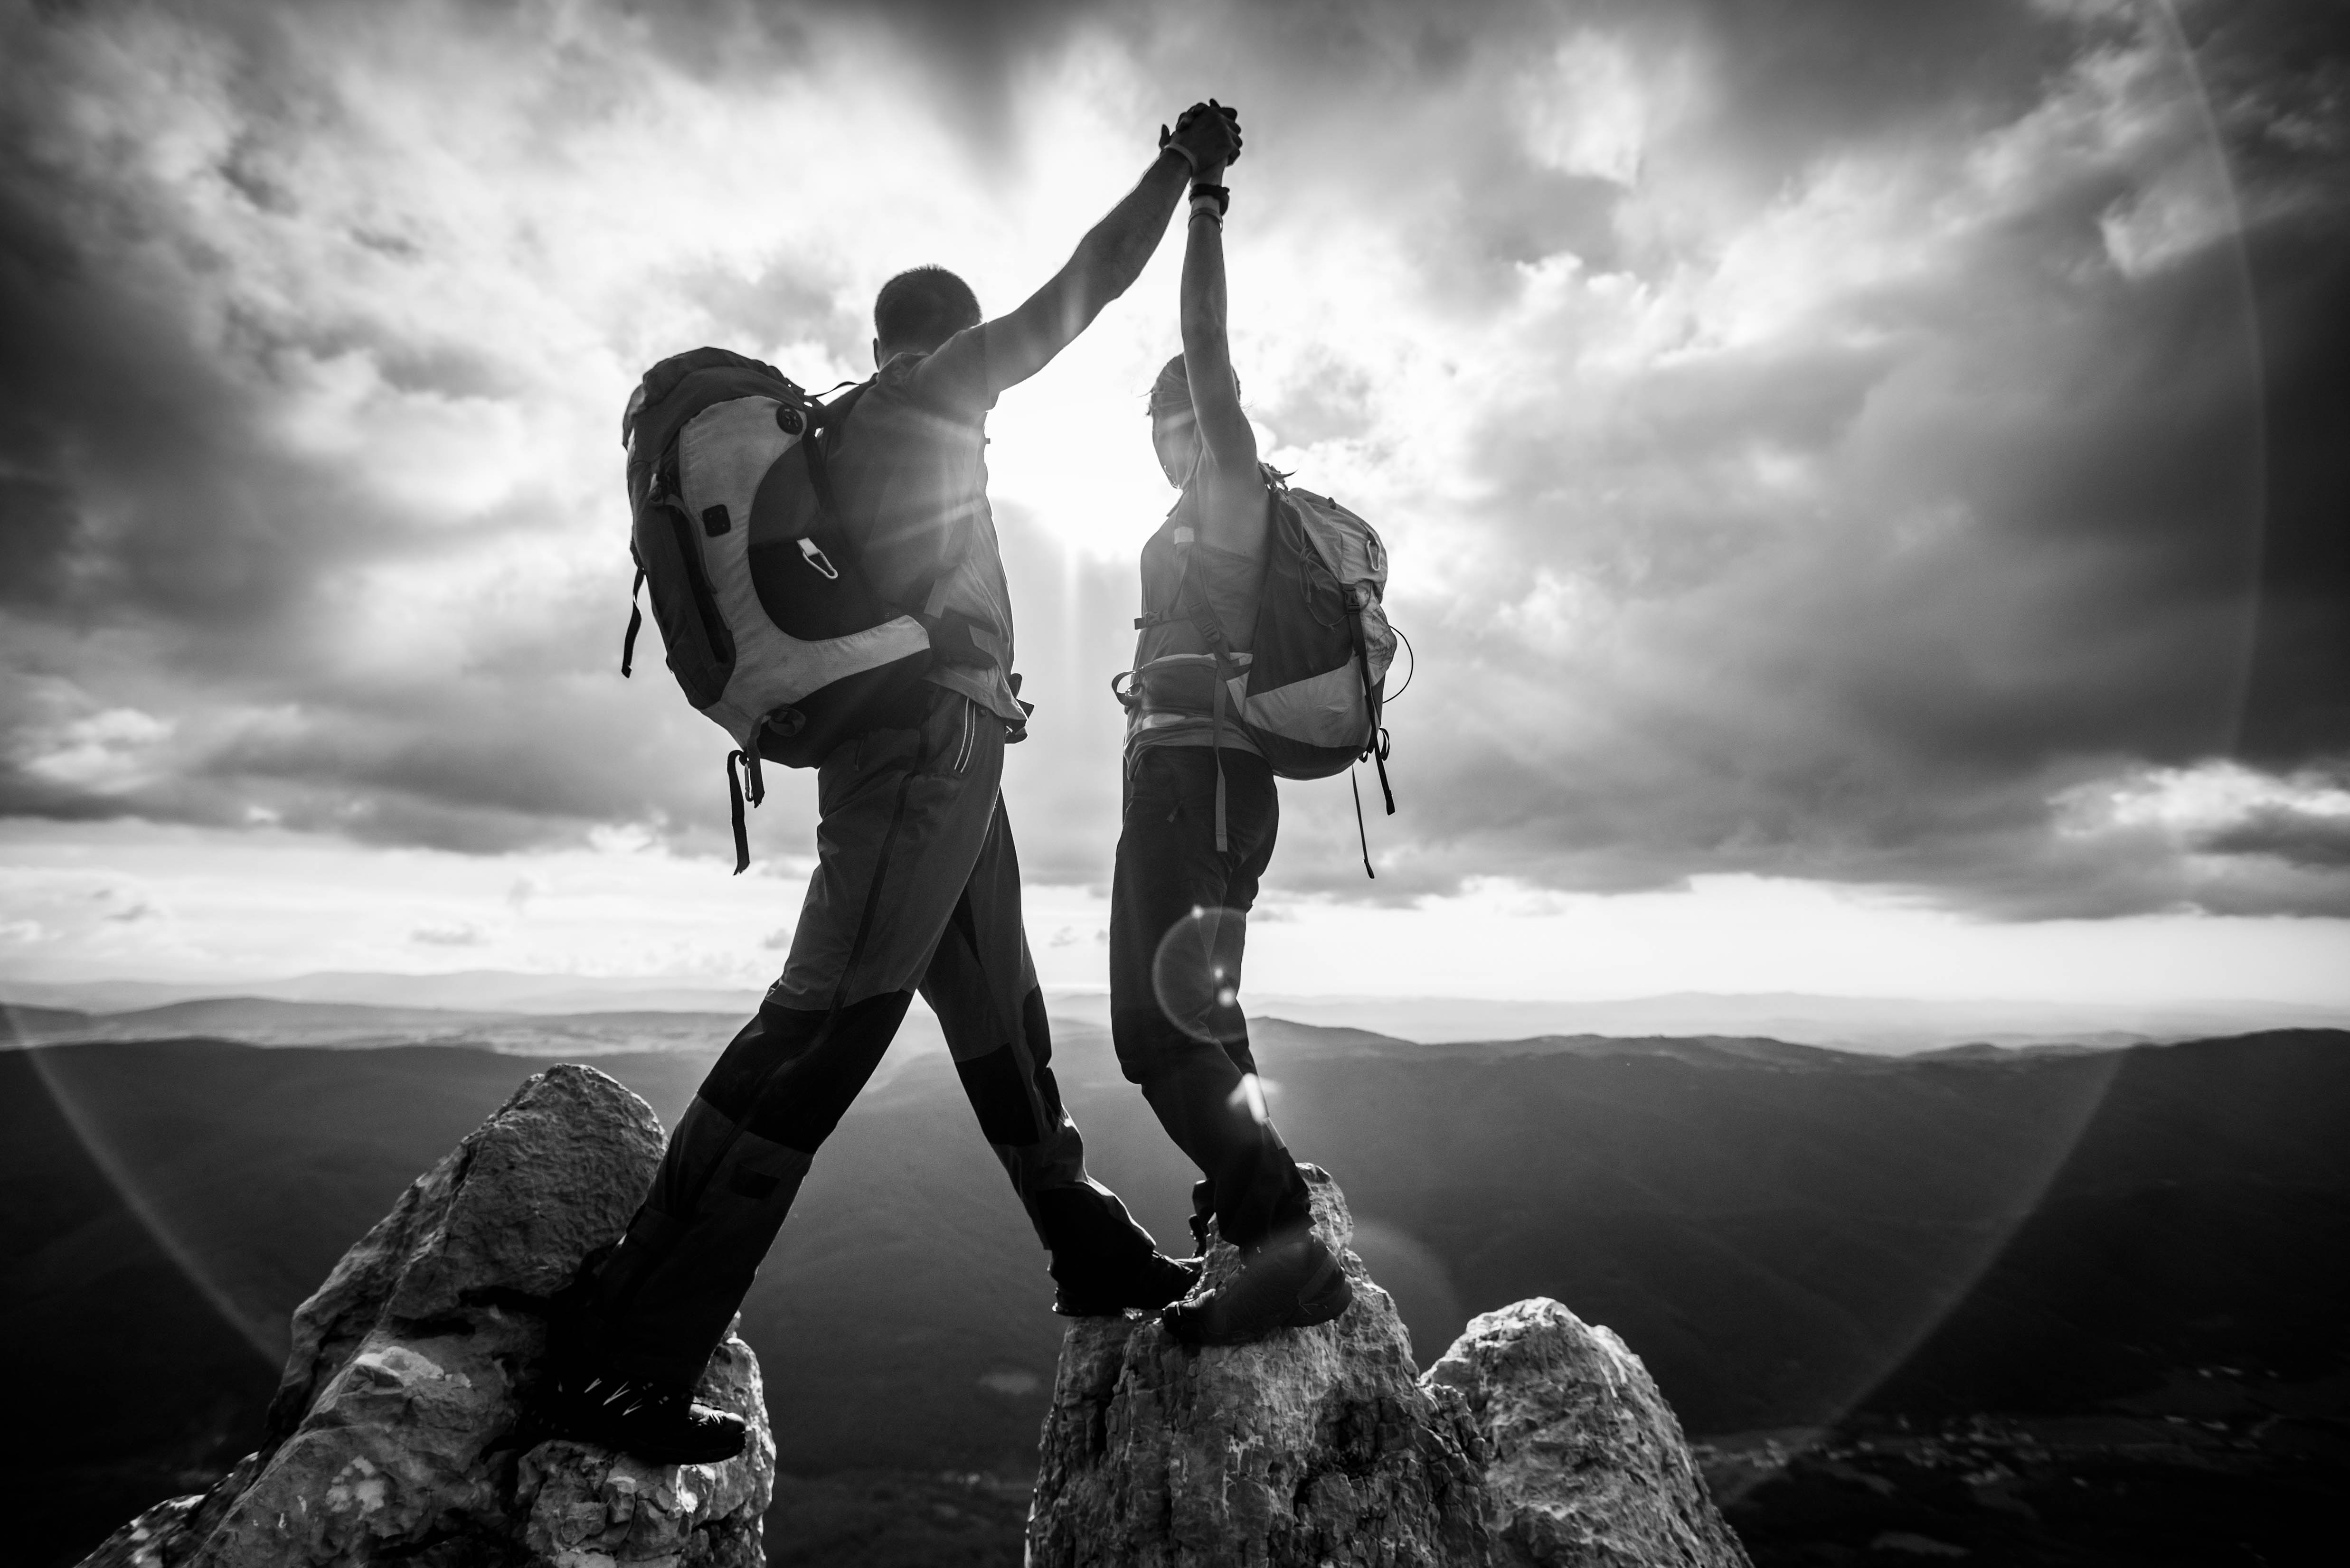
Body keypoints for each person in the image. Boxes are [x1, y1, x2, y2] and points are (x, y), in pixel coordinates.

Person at [539, 102, 1249, 1464]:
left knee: (1006, 1029)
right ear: (941, 342)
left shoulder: (857, 422)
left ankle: (1086, 1248)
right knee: (823, 1031)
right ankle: (625, 1357)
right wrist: (1184, 174)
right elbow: (1085, 289)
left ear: (871, 342)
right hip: (923, 760)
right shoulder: (934, 395)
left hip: (947, 760)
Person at [1111, 119, 1354, 1345]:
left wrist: (1203, 198)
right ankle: (1263, 1215)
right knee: (1207, 1024)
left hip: (1196, 781)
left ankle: (1285, 1257)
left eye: (1173, 421)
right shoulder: (1208, 513)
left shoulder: (1229, 482)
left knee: (1153, 1036)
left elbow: (1207, 346)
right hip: (1206, 783)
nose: (1168, 441)